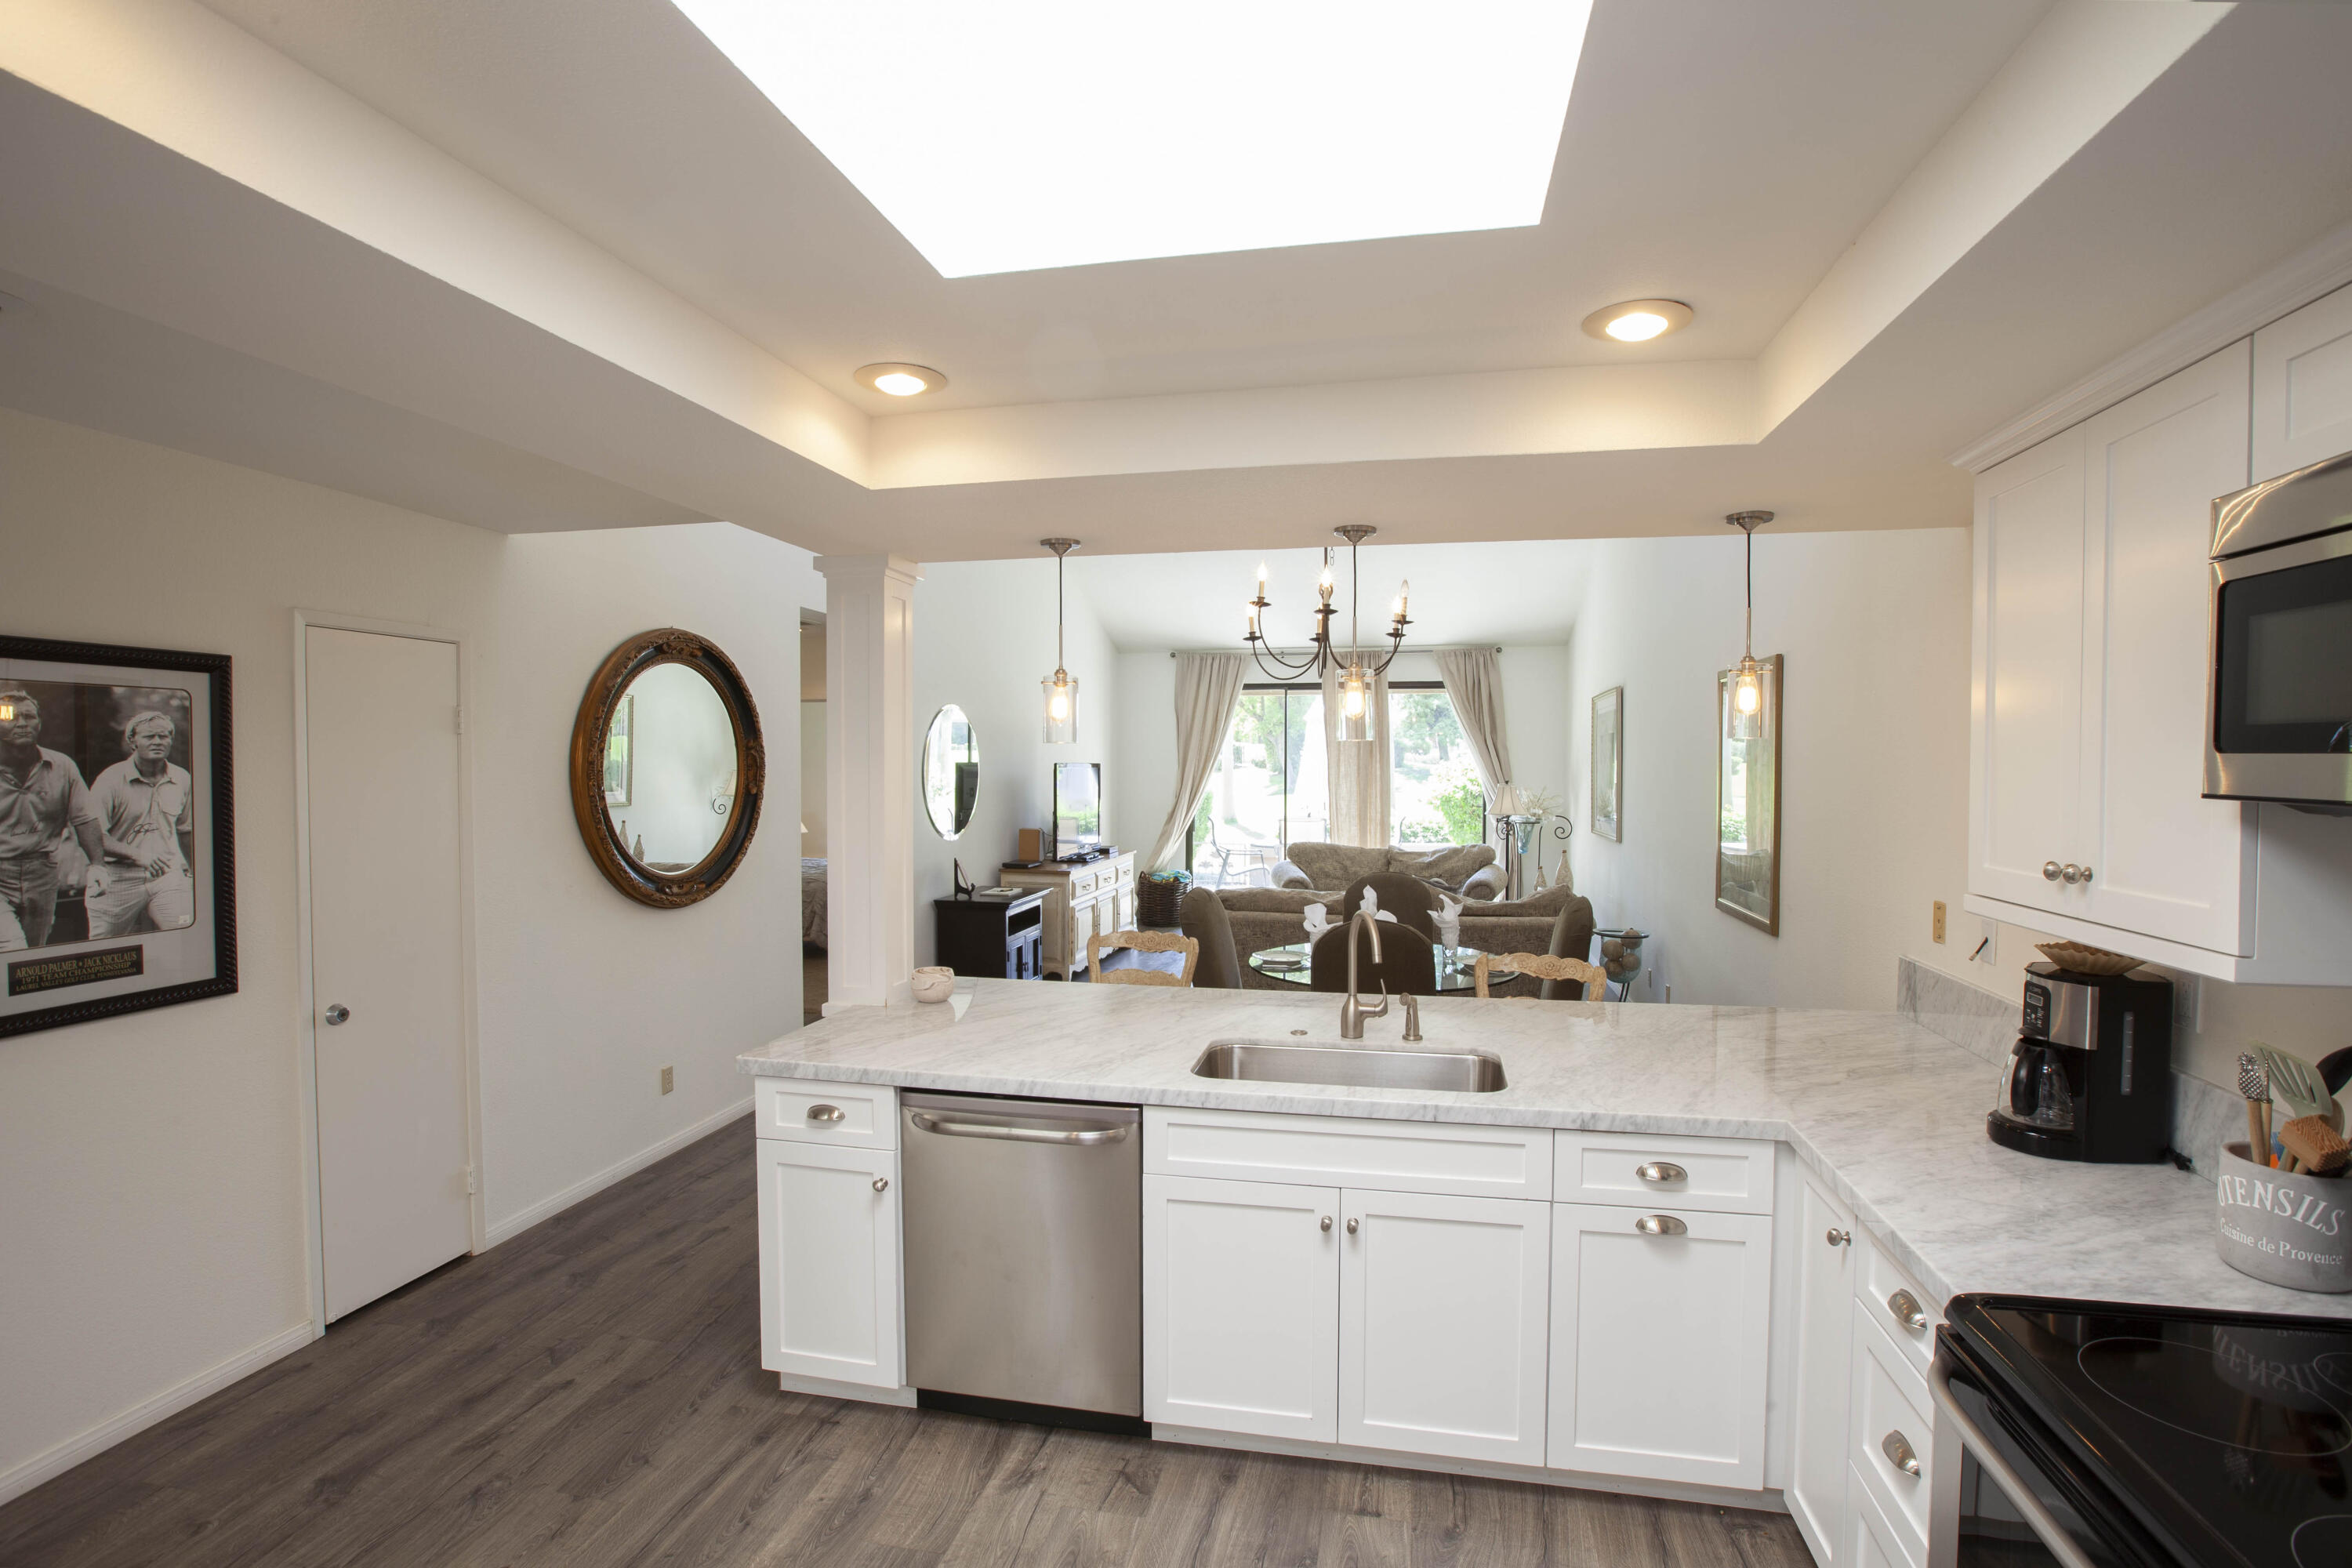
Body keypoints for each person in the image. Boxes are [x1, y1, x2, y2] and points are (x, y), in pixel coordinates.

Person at [0, 687, 105, 952]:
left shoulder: (62, 765)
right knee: (12, 948)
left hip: (43, 872)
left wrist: (97, 866)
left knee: (34, 955)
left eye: (29, 716)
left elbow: (83, 818)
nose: (22, 724)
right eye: (10, 717)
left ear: (39, 722)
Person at [88, 710, 197, 938]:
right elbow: (93, 834)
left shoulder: (182, 778)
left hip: (167, 876)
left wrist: (195, 873)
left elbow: (185, 831)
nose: (157, 742)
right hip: (117, 880)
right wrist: (138, 855)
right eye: (149, 737)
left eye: (163, 736)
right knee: (104, 952)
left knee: (185, 936)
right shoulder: (110, 780)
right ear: (132, 741)